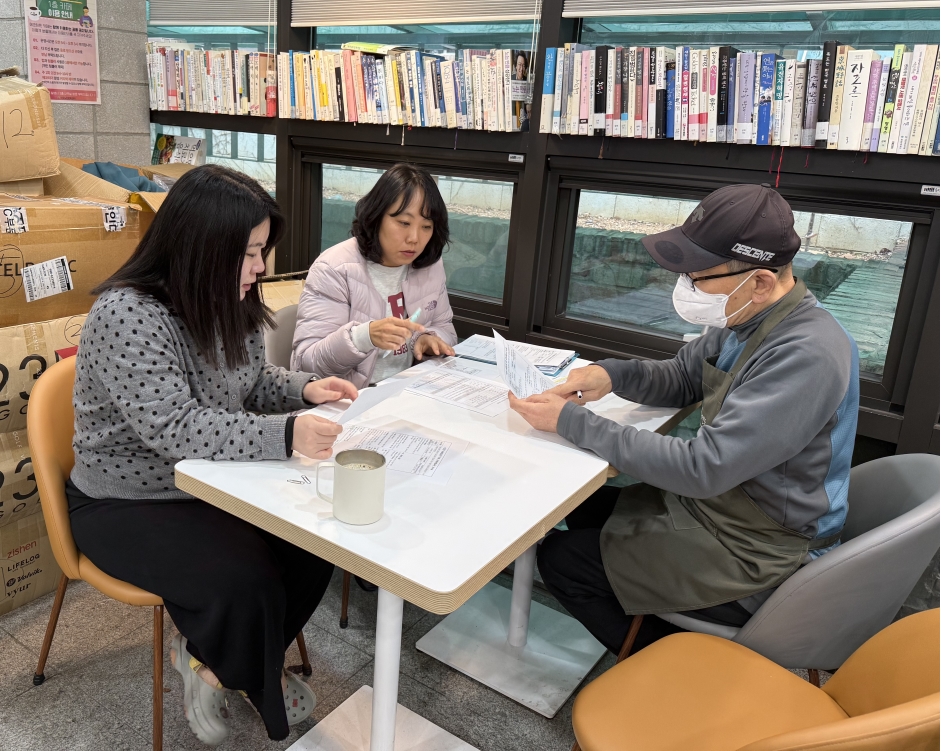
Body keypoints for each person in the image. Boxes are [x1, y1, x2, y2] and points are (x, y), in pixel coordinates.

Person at [67, 165, 358, 745]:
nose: (261, 268)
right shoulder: (127, 315)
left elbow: (249, 383)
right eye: (250, 253)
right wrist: (284, 435)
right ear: (203, 248)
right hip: (129, 497)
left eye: (262, 251)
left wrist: (302, 390)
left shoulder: (229, 296)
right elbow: (174, 427)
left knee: (316, 544)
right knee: (243, 580)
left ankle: (220, 663)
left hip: (210, 481)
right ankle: (240, 666)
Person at [509, 184, 860, 656]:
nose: (686, 288)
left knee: (564, 561)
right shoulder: (745, 320)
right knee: (575, 507)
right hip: (719, 508)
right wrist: (606, 375)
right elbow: (679, 377)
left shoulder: (807, 354)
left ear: (758, 281)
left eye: (698, 278)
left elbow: (703, 467)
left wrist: (573, 422)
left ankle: (672, 665)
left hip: (759, 549)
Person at [292, 163, 457, 388]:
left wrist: (427, 339)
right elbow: (305, 365)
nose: (414, 238)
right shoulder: (334, 269)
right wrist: (363, 337)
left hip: (407, 392)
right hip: (349, 400)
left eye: (426, 226)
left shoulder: (429, 264)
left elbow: (445, 327)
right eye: (404, 223)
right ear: (377, 216)